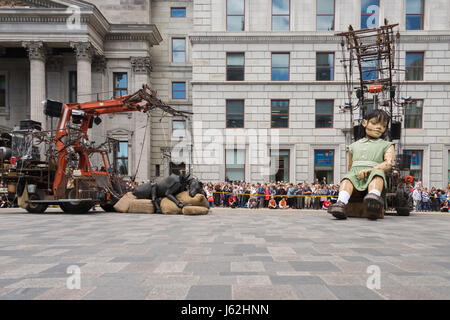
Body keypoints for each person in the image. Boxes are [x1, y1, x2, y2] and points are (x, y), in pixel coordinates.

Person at [328, 109, 395, 220]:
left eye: (383, 126)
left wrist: (370, 170)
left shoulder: (387, 145)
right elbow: (350, 166)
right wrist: (352, 175)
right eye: (374, 123)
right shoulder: (353, 146)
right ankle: (341, 203)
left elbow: (389, 163)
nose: (379, 127)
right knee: (347, 178)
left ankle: (373, 198)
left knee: (377, 174)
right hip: (356, 176)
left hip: (373, 174)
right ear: (364, 123)